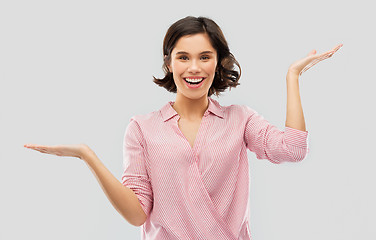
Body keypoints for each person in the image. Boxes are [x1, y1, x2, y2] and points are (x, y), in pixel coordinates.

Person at [24, 16, 342, 240]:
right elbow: (137, 214)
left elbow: (293, 149)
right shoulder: (142, 128)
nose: (193, 68)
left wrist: (292, 77)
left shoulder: (240, 119)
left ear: (218, 62)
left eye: (204, 57)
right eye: (183, 57)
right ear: (169, 63)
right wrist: (87, 155)